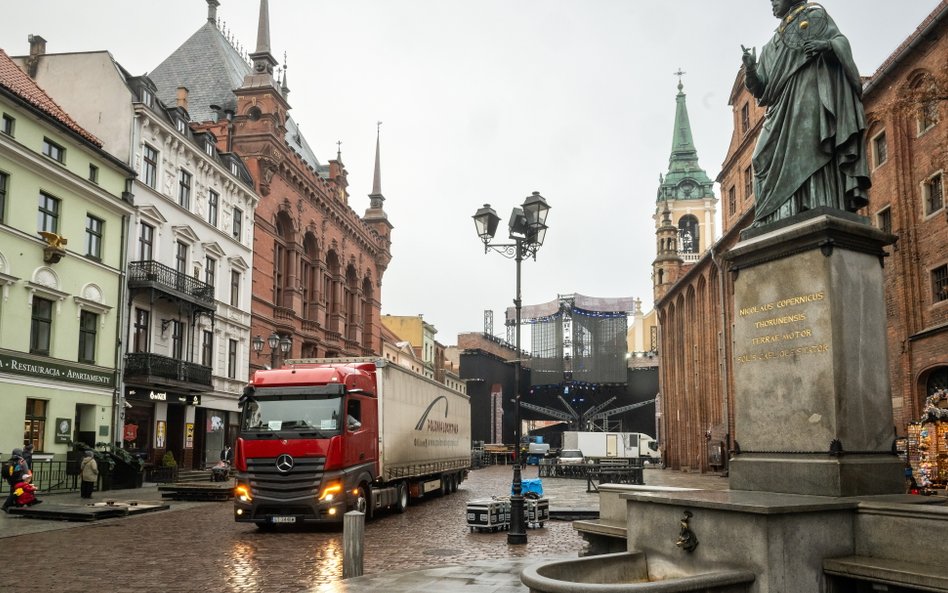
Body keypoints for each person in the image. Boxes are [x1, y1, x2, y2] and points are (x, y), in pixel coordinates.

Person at [741, 0, 870, 227]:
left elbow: (840, 41)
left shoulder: (813, 18)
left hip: (808, 94)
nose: (772, 2)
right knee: (760, 158)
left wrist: (826, 46)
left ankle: (814, 202)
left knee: (809, 147)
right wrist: (751, 69)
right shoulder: (770, 45)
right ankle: (771, 217)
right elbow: (761, 89)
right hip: (780, 107)